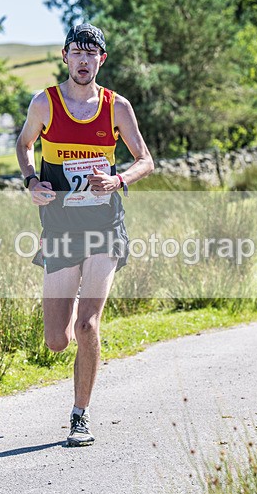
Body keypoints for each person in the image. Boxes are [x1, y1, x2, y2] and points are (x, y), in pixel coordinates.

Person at [15, 23, 154, 447]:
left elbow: (145, 160)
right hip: (59, 227)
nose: (83, 60)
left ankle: (80, 415)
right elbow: (23, 146)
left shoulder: (117, 107)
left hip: (104, 226)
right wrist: (31, 180)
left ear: (101, 60)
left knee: (89, 324)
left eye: (91, 53)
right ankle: (69, 316)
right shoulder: (45, 103)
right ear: (65, 57)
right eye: (76, 52)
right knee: (57, 340)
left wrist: (120, 181)